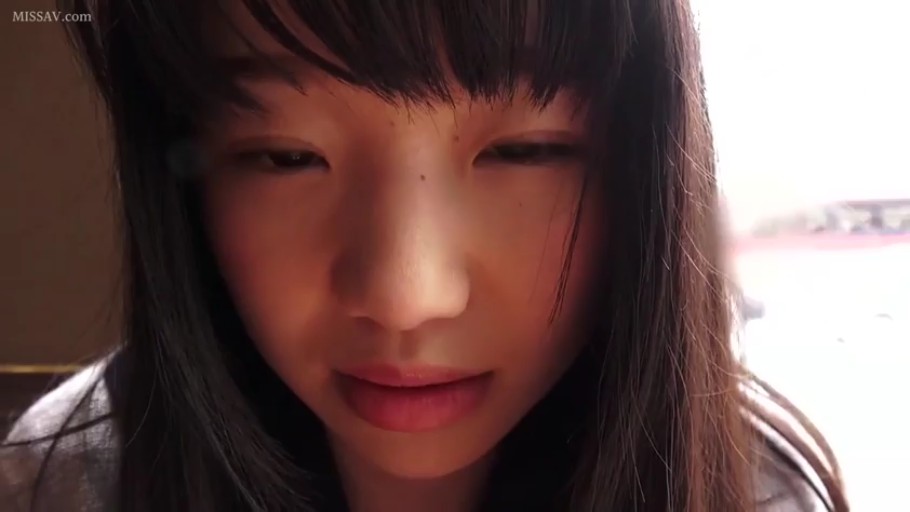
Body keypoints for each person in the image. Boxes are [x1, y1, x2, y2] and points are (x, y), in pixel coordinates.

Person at [1, 0, 849, 510]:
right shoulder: (65, 482)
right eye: (286, 156)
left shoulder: (749, 491)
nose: (405, 294)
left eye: (524, 151)